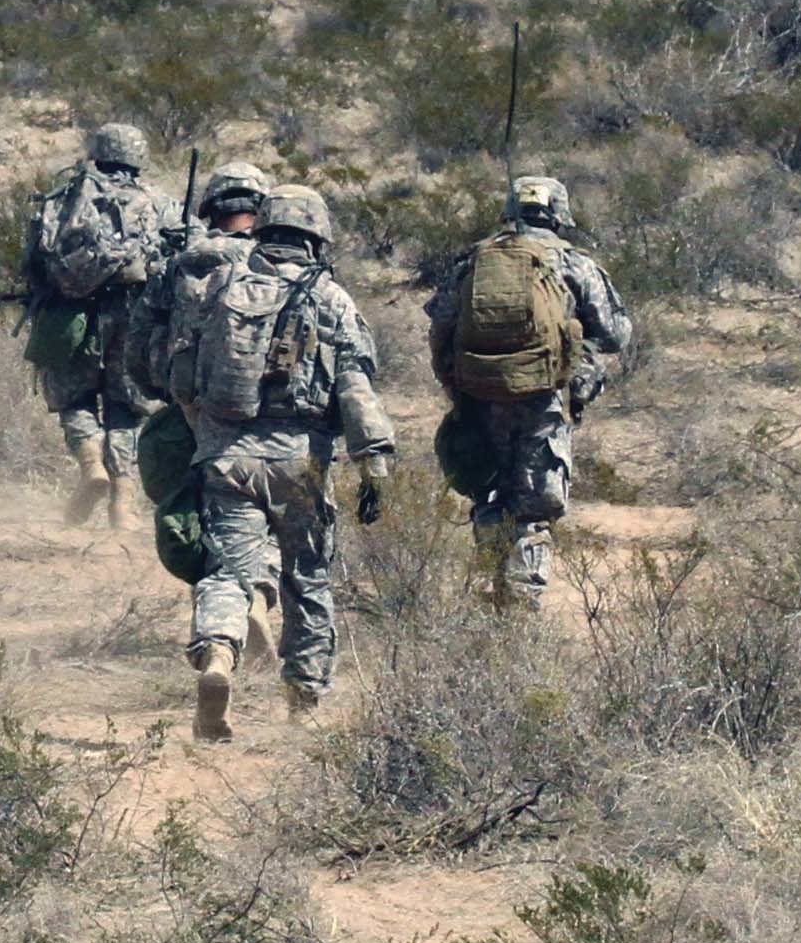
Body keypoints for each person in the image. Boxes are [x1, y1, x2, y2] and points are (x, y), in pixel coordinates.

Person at [165, 183, 395, 739]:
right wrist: (374, 462)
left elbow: (180, 376)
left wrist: (209, 433)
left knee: (226, 572)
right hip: (301, 464)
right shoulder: (331, 297)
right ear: (317, 237)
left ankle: (219, 654)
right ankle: (303, 705)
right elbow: (355, 386)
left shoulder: (220, 286)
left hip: (226, 457)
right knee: (308, 579)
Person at [426, 175, 634, 607]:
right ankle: (521, 609)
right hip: (545, 402)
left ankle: (490, 584)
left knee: (488, 492)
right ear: (559, 214)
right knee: (534, 512)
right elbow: (615, 335)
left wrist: (456, 382)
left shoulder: (474, 260)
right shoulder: (574, 264)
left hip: (480, 398)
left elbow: (440, 324)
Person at [21, 124, 180, 526]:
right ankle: (122, 503)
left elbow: (34, 259)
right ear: (138, 156)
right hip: (135, 314)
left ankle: (91, 464)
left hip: (69, 314)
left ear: (97, 151)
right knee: (126, 408)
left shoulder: (65, 196)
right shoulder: (160, 202)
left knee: (73, 401)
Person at [123, 163, 273, 404]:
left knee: (156, 439)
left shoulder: (178, 265)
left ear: (211, 211)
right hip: (266, 410)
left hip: (192, 407)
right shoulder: (279, 265)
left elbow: (136, 347)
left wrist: (163, 395)